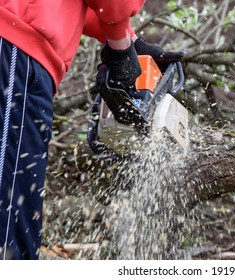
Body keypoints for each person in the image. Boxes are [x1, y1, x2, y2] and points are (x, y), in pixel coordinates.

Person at [0, 0, 183, 260]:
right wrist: (119, 44)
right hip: (15, 40)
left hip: (18, 42)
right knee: (10, 222)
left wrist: (128, 40)